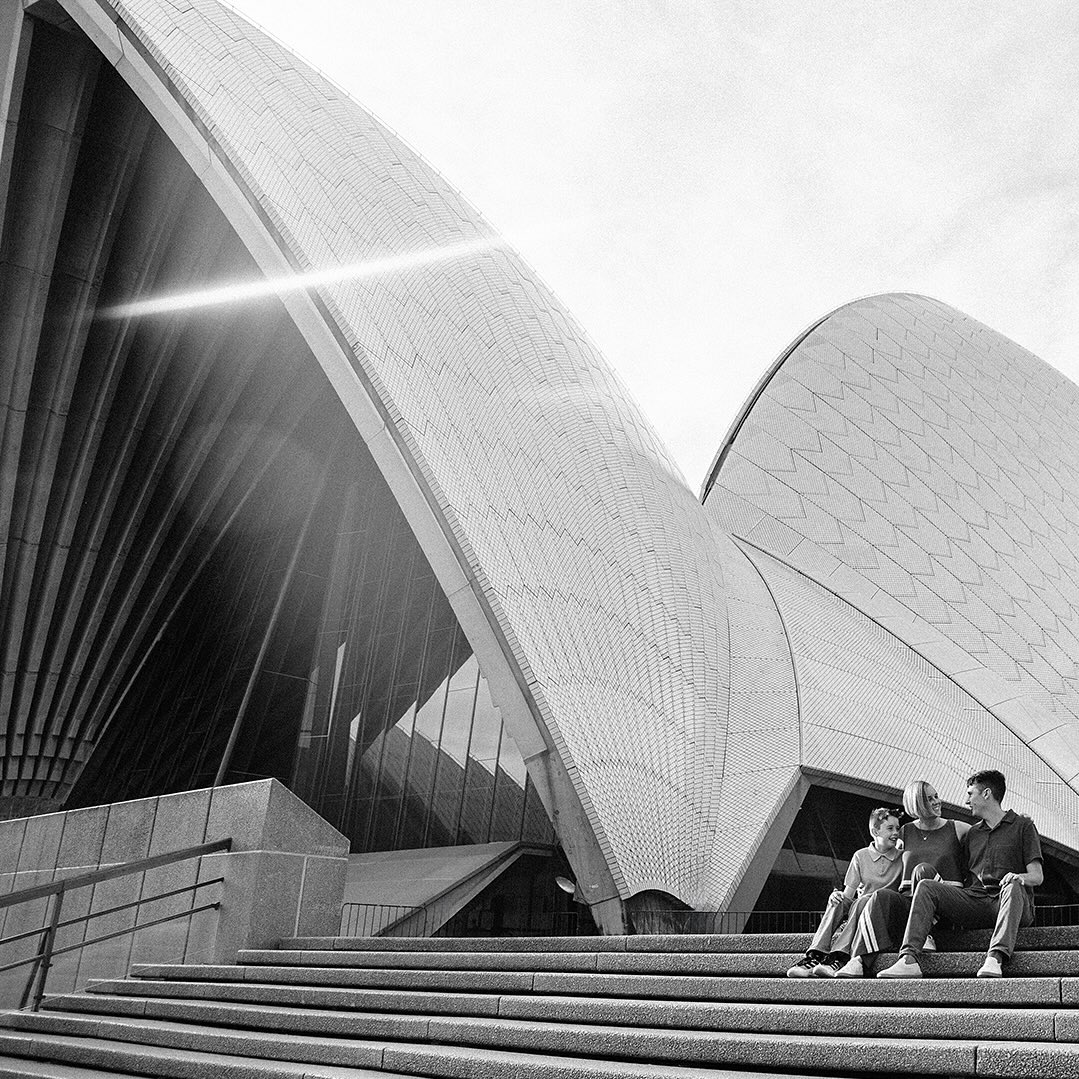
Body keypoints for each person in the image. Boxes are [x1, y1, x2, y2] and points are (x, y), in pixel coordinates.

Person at [876, 769, 1042, 979]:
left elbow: (1037, 876)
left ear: (986, 794)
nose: (966, 801)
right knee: (926, 885)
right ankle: (908, 960)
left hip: (1010, 902)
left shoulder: (1023, 826)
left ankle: (995, 958)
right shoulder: (973, 833)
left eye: (970, 794)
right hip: (976, 901)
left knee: (1013, 884)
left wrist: (1018, 877)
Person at [831, 779, 969, 977]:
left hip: (945, 904)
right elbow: (888, 859)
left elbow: (987, 839)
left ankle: (927, 933)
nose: (937, 802)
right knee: (881, 896)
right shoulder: (905, 831)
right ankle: (859, 960)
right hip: (912, 904)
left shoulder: (958, 828)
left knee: (922, 871)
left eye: (936, 796)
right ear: (916, 803)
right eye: (929, 799)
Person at [786, 807, 902, 977]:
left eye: (897, 828)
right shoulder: (860, 856)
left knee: (863, 900)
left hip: (881, 915)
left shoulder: (902, 857)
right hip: (859, 910)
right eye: (890, 828)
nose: (896, 833)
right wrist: (837, 896)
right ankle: (815, 955)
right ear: (875, 831)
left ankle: (839, 957)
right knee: (838, 900)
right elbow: (849, 895)